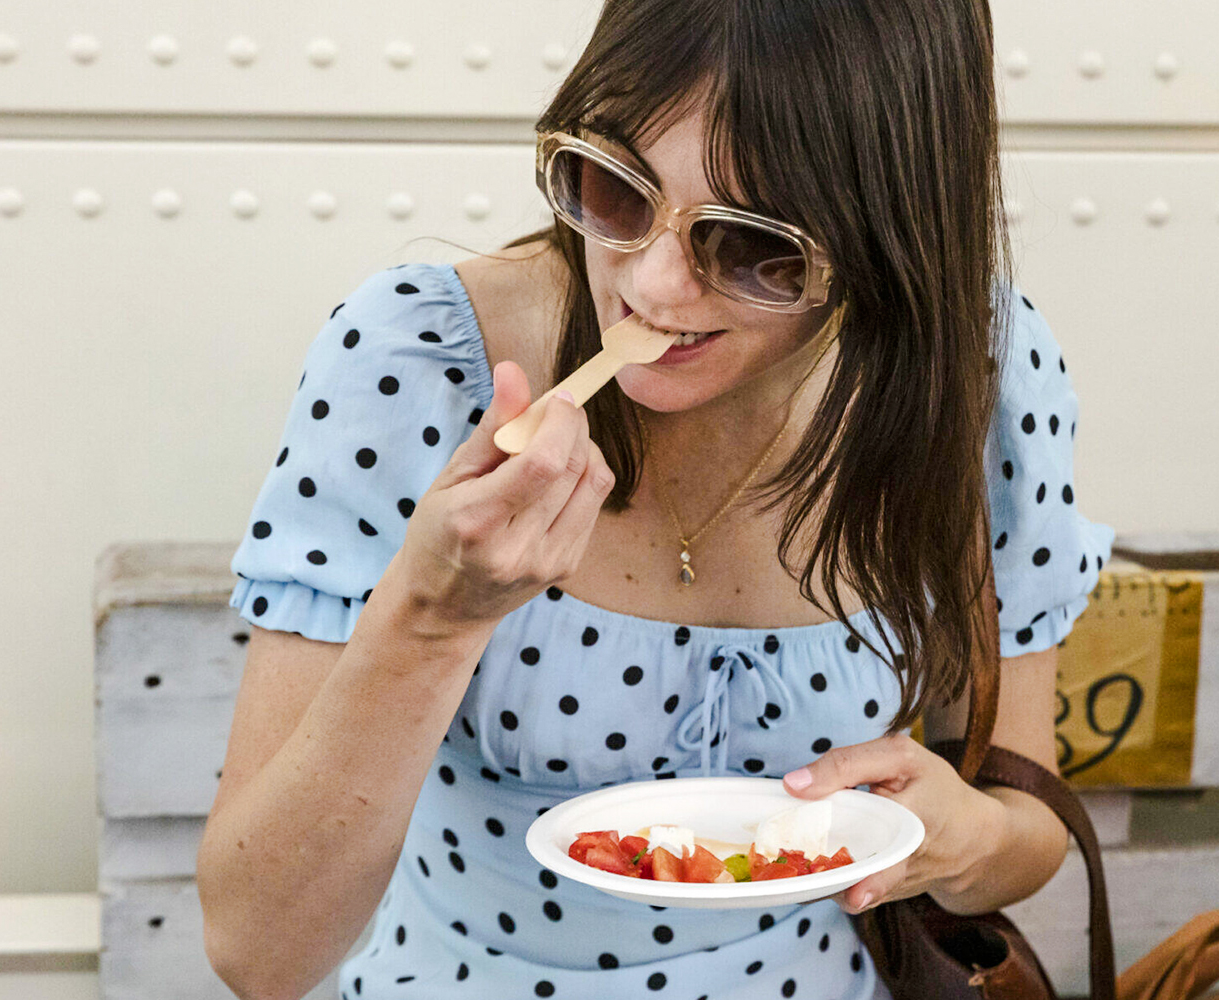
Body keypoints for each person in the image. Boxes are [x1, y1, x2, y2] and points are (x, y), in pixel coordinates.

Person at [196, 0, 1116, 998]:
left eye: (751, 245)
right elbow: (258, 948)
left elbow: (1022, 834)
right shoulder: (418, 361)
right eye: (616, 189)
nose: (654, 286)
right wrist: (432, 618)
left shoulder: (970, 373)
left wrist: (962, 838)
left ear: (887, 236)